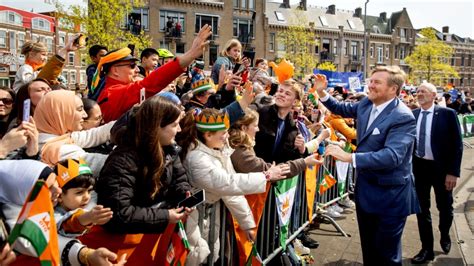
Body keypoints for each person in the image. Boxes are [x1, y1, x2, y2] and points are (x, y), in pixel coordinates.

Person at [313, 65, 419, 265]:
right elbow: (340, 108)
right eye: (370, 80)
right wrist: (321, 91)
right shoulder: (366, 105)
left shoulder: (403, 116)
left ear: (393, 89)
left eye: (377, 82)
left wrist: (350, 158)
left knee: (387, 256)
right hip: (366, 193)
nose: (370, 85)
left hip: (391, 197)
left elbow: (392, 156)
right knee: (369, 252)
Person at [79, 96, 193, 264]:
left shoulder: (169, 150)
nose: (179, 130)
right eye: (174, 125)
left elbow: (180, 178)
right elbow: (118, 213)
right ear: (156, 127)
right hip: (119, 248)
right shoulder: (123, 161)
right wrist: (164, 215)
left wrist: (183, 195)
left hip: (147, 240)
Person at [179, 108, 289, 265]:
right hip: (194, 218)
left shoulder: (218, 151)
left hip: (208, 217)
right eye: (223, 133)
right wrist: (265, 176)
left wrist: (248, 224)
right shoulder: (196, 157)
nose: (227, 136)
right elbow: (227, 183)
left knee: (210, 256)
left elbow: (232, 193)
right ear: (208, 135)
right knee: (195, 257)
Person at [0, 160, 127, 265]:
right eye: (48, 188)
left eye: (56, 182)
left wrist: (88, 256)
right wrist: (86, 254)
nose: (58, 190)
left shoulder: (33, 197)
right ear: (25, 189)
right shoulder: (11, 219)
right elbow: (41, 241)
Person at [91, 25, 211, 122]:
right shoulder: (112, 93)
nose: (137, 69)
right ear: (115, 70)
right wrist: (190, 55)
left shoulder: (113, 90)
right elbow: (149, 84)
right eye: (132, 66)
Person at [411, 83, 463, 264]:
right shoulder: (413, 114)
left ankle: (445, 232)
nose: (419, 94)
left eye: (423, 91)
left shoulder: (447, 114)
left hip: (442, 170)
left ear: (434, 95)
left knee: (445, 208)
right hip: (420, 168)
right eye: (417, 91)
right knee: (421, 210)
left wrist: (453, 173)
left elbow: (457, 145)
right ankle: (427, 249)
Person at [34, 90, 114, 174]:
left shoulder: (58, 137)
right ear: (61, 113)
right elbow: (107, 164)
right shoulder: (58, 150)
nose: (85, 115)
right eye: (79, 109)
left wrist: (123, 122)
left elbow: (91, 136)